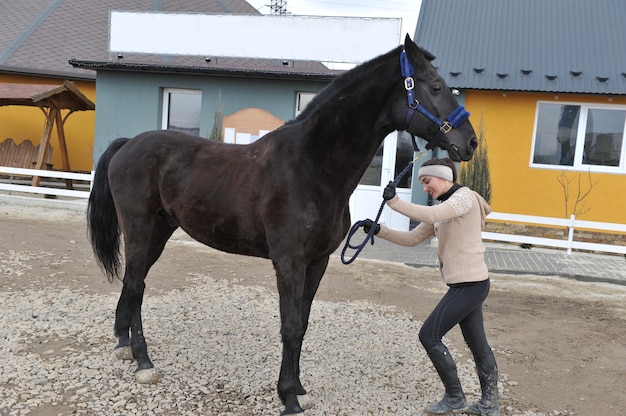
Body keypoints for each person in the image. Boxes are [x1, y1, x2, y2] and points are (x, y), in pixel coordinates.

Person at [363, 157, 499, 416]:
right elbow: (413, 237)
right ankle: (488, 404)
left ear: (444, 176)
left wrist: (395, 202)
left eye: (427, 181)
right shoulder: (446, 207)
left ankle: (455, 398)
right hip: (466, 285)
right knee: (477, 344)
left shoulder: (464, 198)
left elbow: (433, 214)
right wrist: (379, 230)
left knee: (429, 335)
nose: (425, 188)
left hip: (470, 285)